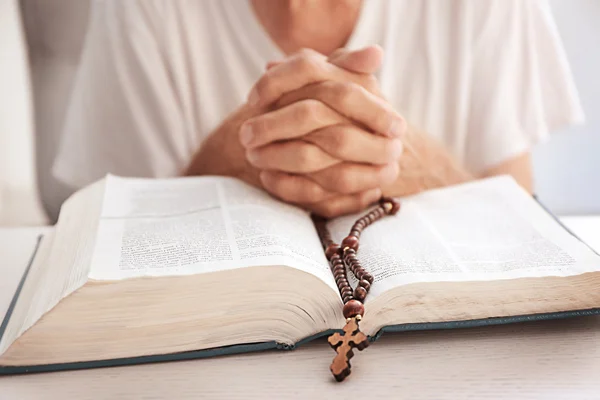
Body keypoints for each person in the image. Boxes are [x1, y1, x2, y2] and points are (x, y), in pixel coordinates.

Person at [53, 0, 583, 218]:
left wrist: (398, 158)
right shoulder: (141, 10)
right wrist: (250, 146)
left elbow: (520, 232)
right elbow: (110, 247)